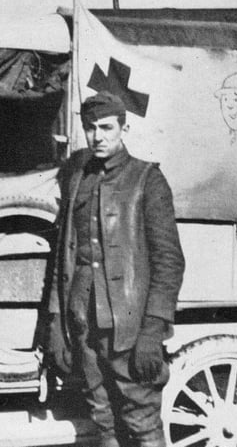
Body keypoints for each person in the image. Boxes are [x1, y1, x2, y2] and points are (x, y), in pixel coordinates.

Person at [45, 91, 185, 447]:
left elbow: (169, 262)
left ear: (124, 127)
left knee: (141, 422)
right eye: (90, 128)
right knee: (102, 421)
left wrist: (152, 331)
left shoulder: (147, 181)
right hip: (84, 327)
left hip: (129, 329)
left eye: (107, 127)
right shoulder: (77, 178)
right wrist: (56, 324)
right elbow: (62, 255)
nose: (98, 136)